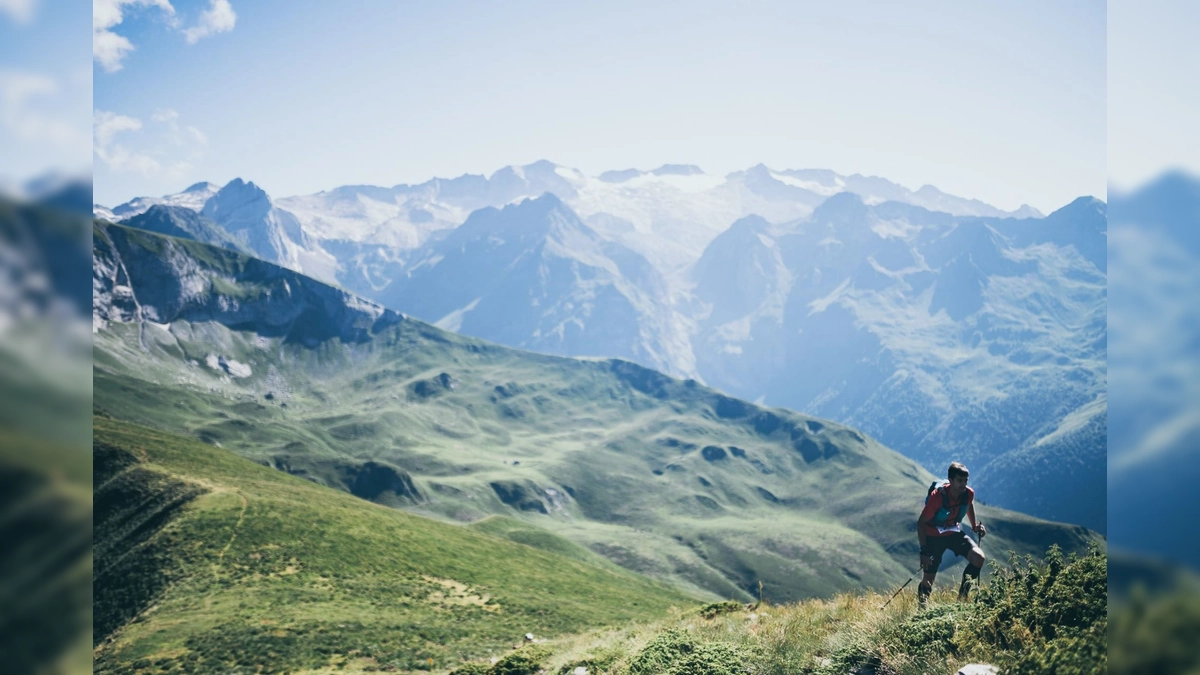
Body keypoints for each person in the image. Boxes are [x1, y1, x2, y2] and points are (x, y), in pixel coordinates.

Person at [916, 461, 986, 607]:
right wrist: (924, 550)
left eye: (966, 481)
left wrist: (974, 526)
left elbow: (969, 504)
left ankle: (962, 600)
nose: (963, 484)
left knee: (978, 558)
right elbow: (921, 522)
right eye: (960, 481)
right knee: (928, 579)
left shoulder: (968, 493)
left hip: (953, 532)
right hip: (933, 536)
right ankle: (922, 607)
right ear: (951, 480)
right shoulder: (938, 497)